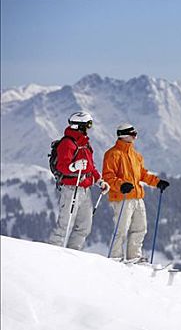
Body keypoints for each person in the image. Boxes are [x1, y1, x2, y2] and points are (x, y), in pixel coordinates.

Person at [102, 123, 170, 261]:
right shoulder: (112, 154)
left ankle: (134, 257)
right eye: (133, 134)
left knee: (140, 228)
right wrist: (121, 185)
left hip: (137, 197)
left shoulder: (135, 155)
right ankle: (115, 258)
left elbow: (142, 174)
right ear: (124, 135)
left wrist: (157, 182)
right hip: (122, 197)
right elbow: (108, 177)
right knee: (121, 229)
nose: (135, 137)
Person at [49, 111, 110, 249]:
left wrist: (100, 181)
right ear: (79, 126)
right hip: (71, 189)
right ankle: (52, 254)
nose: (89, 128)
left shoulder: (85, 144)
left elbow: (90, 167)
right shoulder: (67, 143)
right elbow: (62, 166)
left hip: (84, 189)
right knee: (64, 225)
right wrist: (73, 166)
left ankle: (73, 254)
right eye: (87, 125)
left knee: (84, 226)